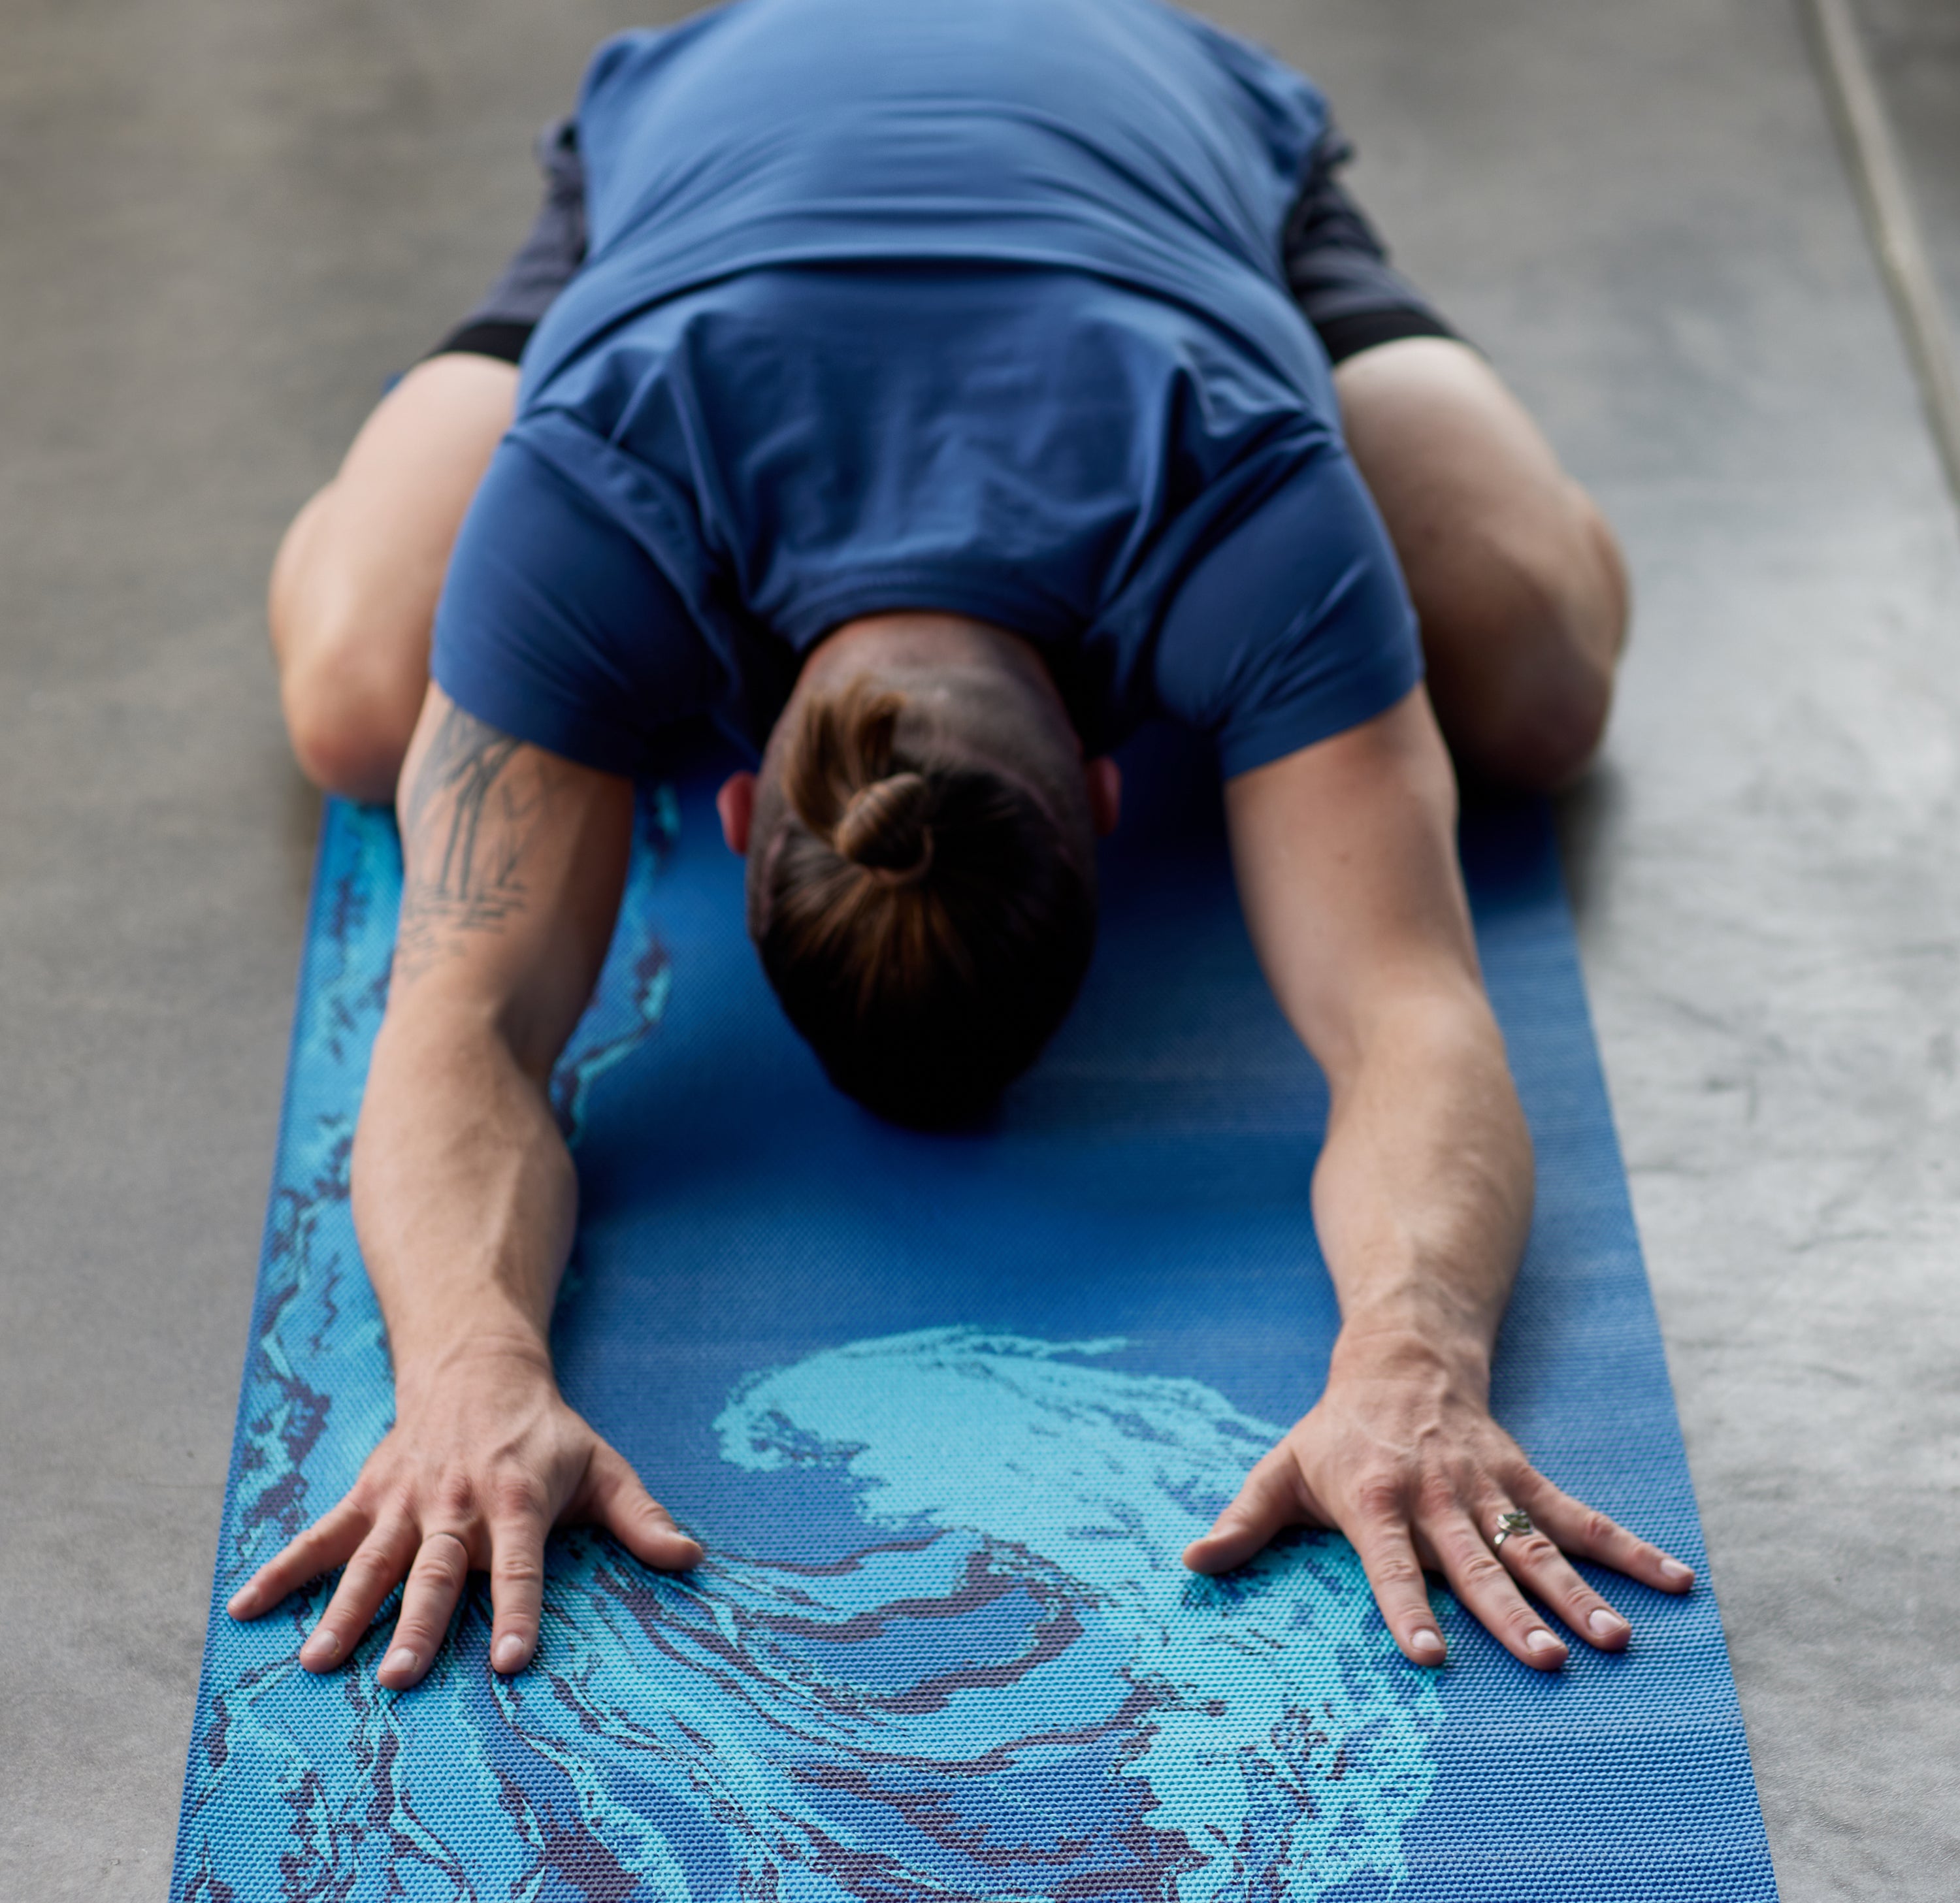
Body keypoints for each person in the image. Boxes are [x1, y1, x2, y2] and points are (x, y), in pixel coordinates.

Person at [231, 0, 1693, 1697]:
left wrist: (1415, 1356)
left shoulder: (1251, 498)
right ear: (1114, 780)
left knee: (1534, 680)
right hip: (698, 156)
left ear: (722, 800)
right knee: (357, 710)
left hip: (1161, 139)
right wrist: (465, 1375)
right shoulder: (597, 490)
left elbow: (1410, 1008)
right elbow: (458, 1021)